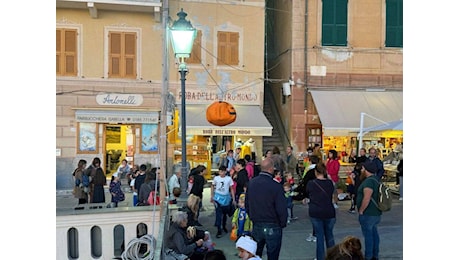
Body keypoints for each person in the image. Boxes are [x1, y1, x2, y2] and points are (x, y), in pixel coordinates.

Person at [245, 158, 288, 260]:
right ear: (271, 169)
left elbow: (247, 203)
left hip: (257, 222)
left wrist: (252, 217)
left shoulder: (252, 183)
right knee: (273, 254)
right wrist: (282, 223)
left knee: (256, 254)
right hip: (273, 224)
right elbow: (281, 208)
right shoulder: (276, 186)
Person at [306, 163, 336, 260]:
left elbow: (308, 193)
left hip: (316, 212)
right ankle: (332, 257)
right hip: (329, 211)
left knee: (320, 237)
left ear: (316, 172)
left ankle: (320, 257)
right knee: (329, 236)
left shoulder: (311, 183)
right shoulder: (330, 183)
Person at [357, 161, 382, 260]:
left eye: (362, 169)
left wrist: (361, 210)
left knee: (368, 237)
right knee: (374, 234)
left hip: (368, 213)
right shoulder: (376, 179)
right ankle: (375, 255)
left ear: (366, 170)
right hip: (376, 213)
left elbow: (367, 198)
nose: (361, 170)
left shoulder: (368, 182)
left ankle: (369, 256)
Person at [211, 165, 236, 238]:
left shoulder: (228, 179)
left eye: (222, 171)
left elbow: (231, 189)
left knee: (224, 213)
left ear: (225, 171)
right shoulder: (216, 178)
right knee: (218, 213)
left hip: (226, 198)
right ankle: (219, 229)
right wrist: (212, 196)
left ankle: (224, 225)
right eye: (220, 171)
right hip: (217, 197)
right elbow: (212, 186)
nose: (221, 173)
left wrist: (233, 199)